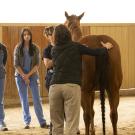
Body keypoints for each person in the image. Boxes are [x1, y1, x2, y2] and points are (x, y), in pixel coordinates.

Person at [49, 24, 113, 135]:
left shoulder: (54, 50)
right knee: (71, 124)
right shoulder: (76, 46)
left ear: (56, 36)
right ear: (68, 34)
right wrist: (105, 47)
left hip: (54, 88)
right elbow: (96, 52)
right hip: (71, 87)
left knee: (57, 125)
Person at [13, 28, 49, 129]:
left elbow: (37, 64)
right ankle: (27, 122)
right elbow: (16, 64)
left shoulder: (35, 48)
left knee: (37, 99)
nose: (26, 36)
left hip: (32, 76)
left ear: (30, 36)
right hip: (20, 76)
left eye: (28, 34)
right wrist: (24, 76)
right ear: (22, 36)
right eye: (24, 35)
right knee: (24, 99)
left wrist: (28, 76)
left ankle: (42, 122)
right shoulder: (18, 48)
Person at [0, 43, 8, 131]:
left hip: (1, 76)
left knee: (0, 99)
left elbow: (4, 62)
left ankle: (1, 122)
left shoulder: (3, 48)